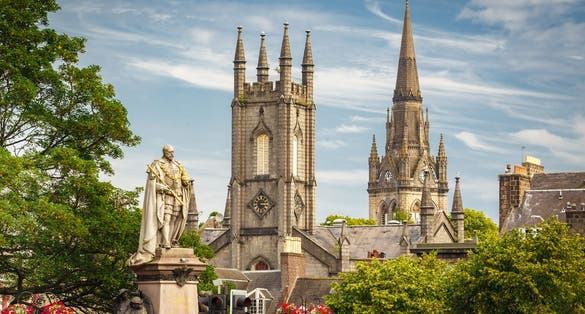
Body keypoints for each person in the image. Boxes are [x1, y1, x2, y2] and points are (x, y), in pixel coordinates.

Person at [128, 145, 192, 265]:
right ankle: (165, 242)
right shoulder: (157, 164)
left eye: (173, 152)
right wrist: (161, 187)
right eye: (170, 152)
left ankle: (171, 241)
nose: (172, 154)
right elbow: (152, 184)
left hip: (178, 195)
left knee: (174, 219)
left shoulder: (178, 165)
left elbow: (185, 178)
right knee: (165, 219)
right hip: (165, 196)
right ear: (165, 152)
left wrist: (186, 181)